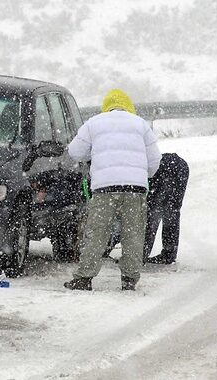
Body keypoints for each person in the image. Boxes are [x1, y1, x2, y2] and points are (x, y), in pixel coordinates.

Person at [63, 89, 161, 291]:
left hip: (104, 188)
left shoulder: (94, 122)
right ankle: (129, 279)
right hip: (135, 188)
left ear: (106, 106)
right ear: (128, 106)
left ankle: (84, 278)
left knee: (97, 233)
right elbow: (154, 161)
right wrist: (143, 175)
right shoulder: (140, 124)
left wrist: (93, 154)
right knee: (133, 234)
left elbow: (74, 151)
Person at [143, 153, 189, 264]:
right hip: (180, 166)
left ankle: (141, 254)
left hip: (165, 169)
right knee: (171, 212)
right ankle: (169, 254)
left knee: (153, 213)